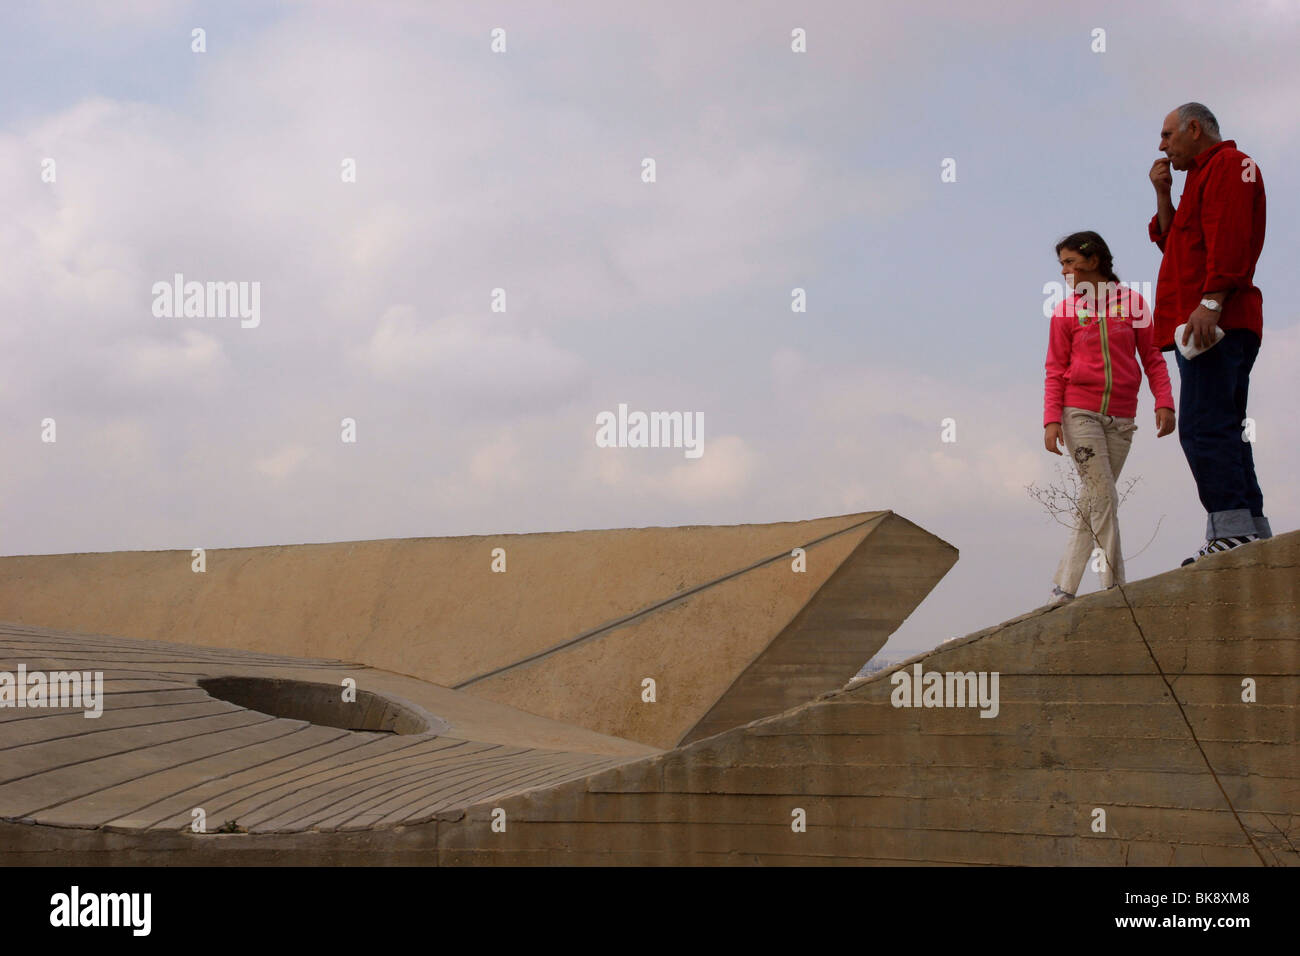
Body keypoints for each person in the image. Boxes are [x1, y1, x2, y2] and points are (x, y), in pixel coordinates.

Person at [1147, 103, 1270, 564]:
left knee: (1202, 427)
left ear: (1194, 129)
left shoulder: (1231, 166)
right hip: (1206, 319)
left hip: (1216, 320)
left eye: (1167, 135)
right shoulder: (1200, 177)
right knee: (1223, 426)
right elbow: (1176, 242)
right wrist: (1164, 194)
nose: (1162, 146)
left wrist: (1212, 301)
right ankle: (1250, 530)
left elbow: (1232, 237)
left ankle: (1232, 530)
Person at [1043, 231, 1176, 604]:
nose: (1065, 271)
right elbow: (1055, 369)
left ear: (1094, 260)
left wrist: (1163, 400)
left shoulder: (1132, 304)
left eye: (1070, 262)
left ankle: (1064, 586)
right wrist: (1051, 419)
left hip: (1121, 417)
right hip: (1078, 412)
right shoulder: (1065, 311)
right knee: (1103, 496)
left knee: (1095, 500)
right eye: (1062, 265)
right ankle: (1114, 589)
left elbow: (1152, 357)